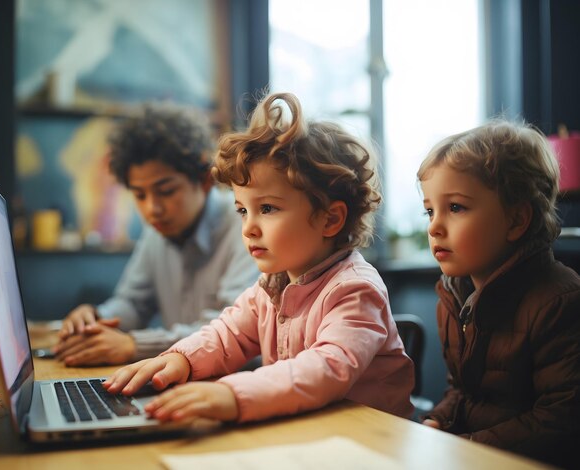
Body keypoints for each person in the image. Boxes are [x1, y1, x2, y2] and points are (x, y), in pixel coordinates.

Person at [103, 92, 415, 424]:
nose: (249, 228)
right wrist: (182, 359)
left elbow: (326, 368)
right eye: (242, 210)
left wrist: (233, 394)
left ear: (330, 219)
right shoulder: (270, 287)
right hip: (313, 432)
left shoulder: (354, 290)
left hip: (370, 441)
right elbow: (227, 335)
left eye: (267, 208)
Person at [418, 119, 580, 468]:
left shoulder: (559, 302)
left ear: (516, 220)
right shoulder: (454, 298)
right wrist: (439, 422)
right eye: (430, 210)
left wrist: (468, 447)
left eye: (456, 208)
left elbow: (560, 420)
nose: (434, 226)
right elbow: (463, 392)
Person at [54, 103, 260, 367]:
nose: (153, 209)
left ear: (205, 180)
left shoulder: (245, 225)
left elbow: (235, 329)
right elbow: (133, 304)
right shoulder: (157, 233)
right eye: (140, 195)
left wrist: (134, 346)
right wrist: (95, 318)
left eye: (166, 191)